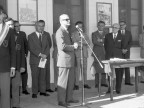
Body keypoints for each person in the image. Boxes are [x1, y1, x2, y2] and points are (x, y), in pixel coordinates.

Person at [56, 14, 79, 107]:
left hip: (70, 60)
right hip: (64, 61)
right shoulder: (60, 32)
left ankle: (69, 98)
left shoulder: (67, 31)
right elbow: (62, 46)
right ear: (61, 21)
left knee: (70, 82)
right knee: (63, 83)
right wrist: (74, 46)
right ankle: (61, 101)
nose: (69, 21)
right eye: (66, 19)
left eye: (69, 19)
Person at [28, 20, 50, 98]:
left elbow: (48, 47)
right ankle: (34, 92)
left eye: (43, 26)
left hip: (43, 59)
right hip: (35, 60)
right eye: (39, 26)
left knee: (43, 76)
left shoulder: (45, 36)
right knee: (35, 76)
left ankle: (42, 91)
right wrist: (41, 54)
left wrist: (45, 55)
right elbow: (31, 48)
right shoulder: (31, 36)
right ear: (35, 26)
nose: (41, 27)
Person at [0, 7, 16, 108]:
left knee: (5, 93)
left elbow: (12, 50)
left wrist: (13, 67)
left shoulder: (9, 30)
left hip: (5, 67)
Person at [104, 23, 124, 94]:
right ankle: (110, 88)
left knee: (119, 74)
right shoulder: (107, 36)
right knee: (109, 73)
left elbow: (123, 47)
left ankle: (118, 89)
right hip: (109, 57)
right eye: (113, 27)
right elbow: (105, 46)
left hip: (118, 57)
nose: (114, 28)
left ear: (118, 29)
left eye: (115, 27)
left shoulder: (121, 36)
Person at [72, 21, 91, 90]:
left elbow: (88, 42)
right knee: (77, 69)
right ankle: (76, 84)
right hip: (77, 54)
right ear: (76, 27)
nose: (80, 27)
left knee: (84, 69)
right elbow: (74, 43)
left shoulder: (85, 34)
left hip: (84, 53)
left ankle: (85, 83)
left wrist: (80, 42)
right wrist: (83, 43)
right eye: (79, 26)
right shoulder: (73, 34)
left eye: (81, 26)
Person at [11, 20, 26, 108]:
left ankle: (16, 105)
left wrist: (23, 66)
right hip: (5, 67)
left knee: (16, 87)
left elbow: (22, 51)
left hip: (17, 66)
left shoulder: (19, 36)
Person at [14, 20, 30, 95]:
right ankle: (14, 90)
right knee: (15, 74)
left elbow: (26, 45)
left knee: (24, 73)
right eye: (16, 26)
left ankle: (24, 89)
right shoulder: (10, 34)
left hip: (22, 57)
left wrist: (26, 54)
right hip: (14, 58)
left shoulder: (23, 34)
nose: (18, 27)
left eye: (19, 26)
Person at [91, 21, 108, 88]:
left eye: (102, 26)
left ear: (104, 26)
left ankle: (103, 82)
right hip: (97, 52)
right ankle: (97, 83)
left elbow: (107, 42)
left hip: (104, 52)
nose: (101, 27)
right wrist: (103, 42)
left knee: (104, 67)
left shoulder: (106, 34)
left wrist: (100, 40)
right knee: (97, 67)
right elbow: (94, 42)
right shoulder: (94, 33)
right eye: (100, 25)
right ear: (97, 26)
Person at [119, 21, 133, 86]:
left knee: (127, 66)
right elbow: (116, 43)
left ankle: (127, 81)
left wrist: (126, 49)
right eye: (120, 25)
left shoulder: (128, 33)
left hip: (127, 51)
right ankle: (120, 81)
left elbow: (130, 42)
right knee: (120, 66)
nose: (121, 26)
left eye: (122, 25)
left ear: (125, 25)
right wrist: (121, 49)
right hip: (119, 52)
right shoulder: (117, 32)